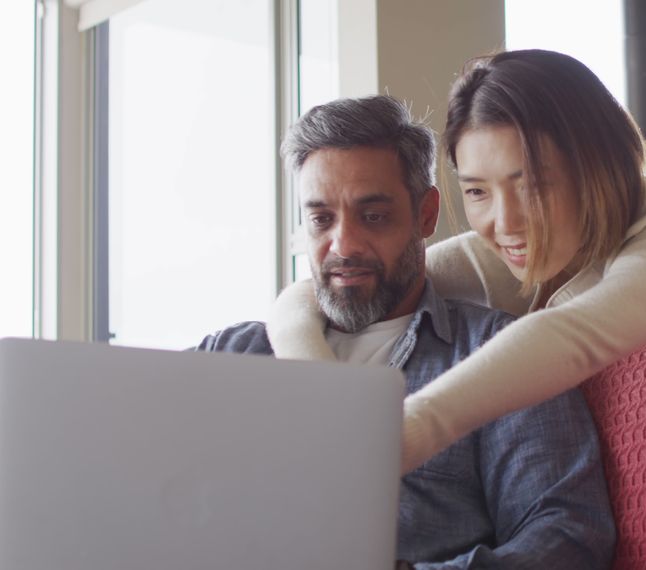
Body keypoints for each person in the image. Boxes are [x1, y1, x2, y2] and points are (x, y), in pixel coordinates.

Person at [270, 50, 646, 474]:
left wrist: (399, 437)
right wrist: (322, 389)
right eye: (478, 191)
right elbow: (303, 297)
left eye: (531, 184)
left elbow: (573, 334)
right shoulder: (515, 250)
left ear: (598, 165)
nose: (505, 224)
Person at [197, 95, 615, 568]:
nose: (344, 245)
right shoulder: (230, 353)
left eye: (373, 216)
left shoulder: (500, 355)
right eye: (321, 219)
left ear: (425, 214)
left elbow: (568, 538)